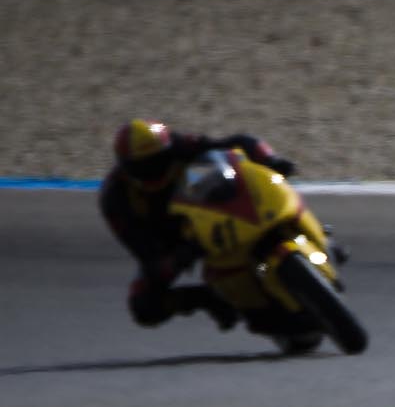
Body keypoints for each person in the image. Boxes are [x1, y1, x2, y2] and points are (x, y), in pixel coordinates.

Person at [99, 119, 297, 331]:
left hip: (208, 208)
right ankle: (209, 298)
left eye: (158, 161)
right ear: (125, 166)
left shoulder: (179, 145)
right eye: (143, 167)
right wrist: (173, 260)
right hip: (171, 239)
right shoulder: (115, 197)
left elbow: (237, 143)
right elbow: (142, 249)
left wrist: (270, 159)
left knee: (259, 182)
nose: (153, 170)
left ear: (168, 149)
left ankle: (299, 229)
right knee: (144, 306)